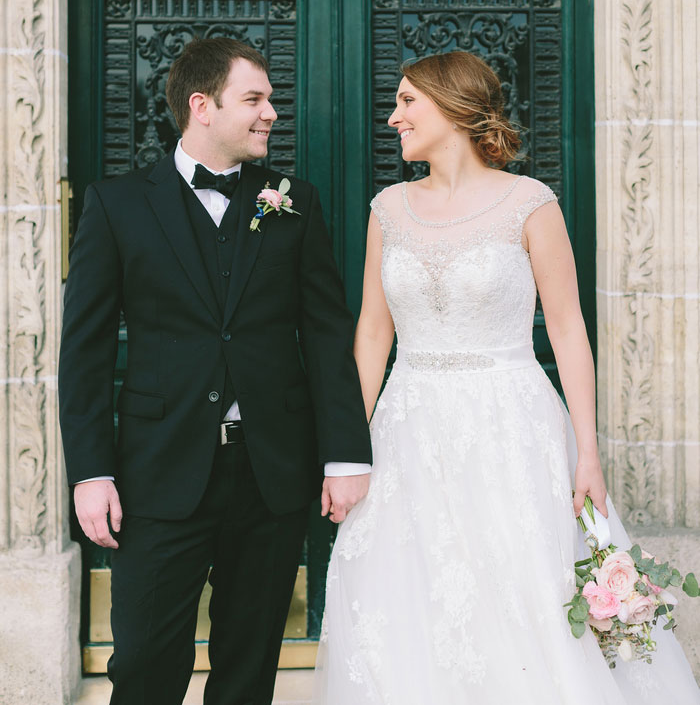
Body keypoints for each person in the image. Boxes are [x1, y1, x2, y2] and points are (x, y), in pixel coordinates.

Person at [314, 50, 700, 704]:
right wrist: (344, 451)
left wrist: (588, 454)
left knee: (519, 591)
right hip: (407, 432)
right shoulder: (389, 208)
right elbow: (373, 335)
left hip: (511, 428)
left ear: (454, 105)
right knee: (409, 593)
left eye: (408, 102)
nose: (393, 117)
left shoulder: (530, 203)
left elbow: (569, 331)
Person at [58, 36, 372, 705]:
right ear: (202, 106)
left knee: (249, 666)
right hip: (159, 469)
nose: (272, 114)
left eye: (271, 100)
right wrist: (90, 470)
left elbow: (324, 333)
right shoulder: (116, 205)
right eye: (254, 99)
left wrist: (345, 453)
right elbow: (83, 350)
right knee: (142, 661)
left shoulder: (293, 201)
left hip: (269, 472)